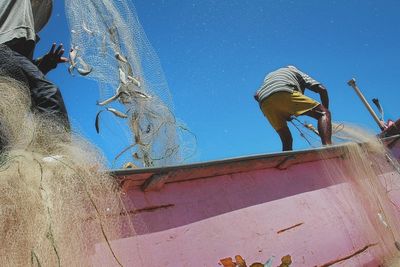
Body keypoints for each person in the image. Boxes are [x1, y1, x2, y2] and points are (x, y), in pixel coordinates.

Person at [0, 0, 70, 131]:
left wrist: (43, 64)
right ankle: (54, 149)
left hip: (9, 60)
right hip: (4, 49)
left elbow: (15, 70)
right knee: (47, 93)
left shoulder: (23, 23)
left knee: (6, 125)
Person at [254, 65, 332, 151]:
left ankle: (286, 160)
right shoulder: (294, 71)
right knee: (323, 113)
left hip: (264, 102)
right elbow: (322, 89)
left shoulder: (270, 76)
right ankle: (328, 148)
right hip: (284, 91)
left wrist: (284, 112)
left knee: (286, 139)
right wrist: (326, 110)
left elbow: (256, 95)